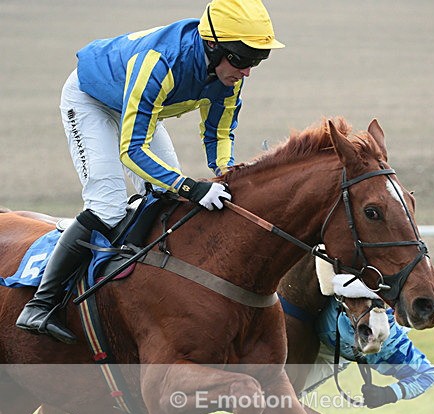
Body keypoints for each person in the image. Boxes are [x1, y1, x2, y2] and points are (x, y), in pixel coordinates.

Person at [16, 0, 284, 344]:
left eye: (257, 60)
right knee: (107, 206)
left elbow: (218, 133)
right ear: (213, 45)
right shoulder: (160, 63)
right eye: (243, 58)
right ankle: (41, 305)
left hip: (139, 105)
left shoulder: (228, 75)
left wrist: (226, 174)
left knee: (161, 192)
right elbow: (132, 150)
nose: (247, 71)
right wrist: (191, 188)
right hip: (92, 99)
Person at [308, 288, 434, 408]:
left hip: (328, 352)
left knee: (290, 397)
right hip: (312, 319)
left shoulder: (393, 347)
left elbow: (428, 375)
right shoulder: (393, 345)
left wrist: (388, 394)